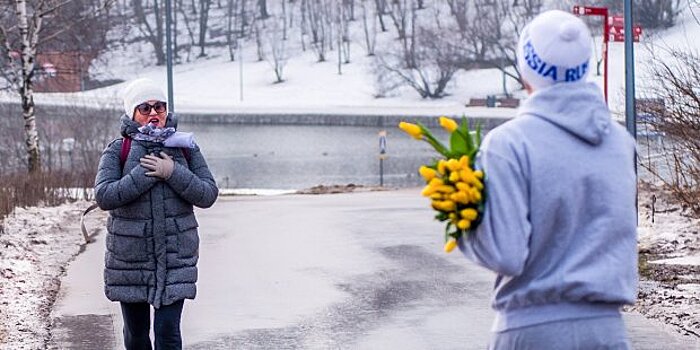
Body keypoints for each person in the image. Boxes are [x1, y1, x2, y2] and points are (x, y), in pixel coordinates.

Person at [458, 10, 637, 350]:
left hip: (531, 330)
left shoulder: (508, 143)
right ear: (585, 66)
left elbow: (507, 254)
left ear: (526, 69)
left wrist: (463, 220)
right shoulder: (620, 142)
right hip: (607, 330)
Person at [95, 78, 218, 350]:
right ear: (132, 113)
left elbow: (208, 194)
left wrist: (174, 172)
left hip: (176, 258)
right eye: (145, 108)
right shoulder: (119, 149)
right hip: (130, 260)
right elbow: (104, 196)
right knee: (137, 336)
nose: (153, 113)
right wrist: (144, 174)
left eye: (159, 107)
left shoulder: (186, 147)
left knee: (168, 334)